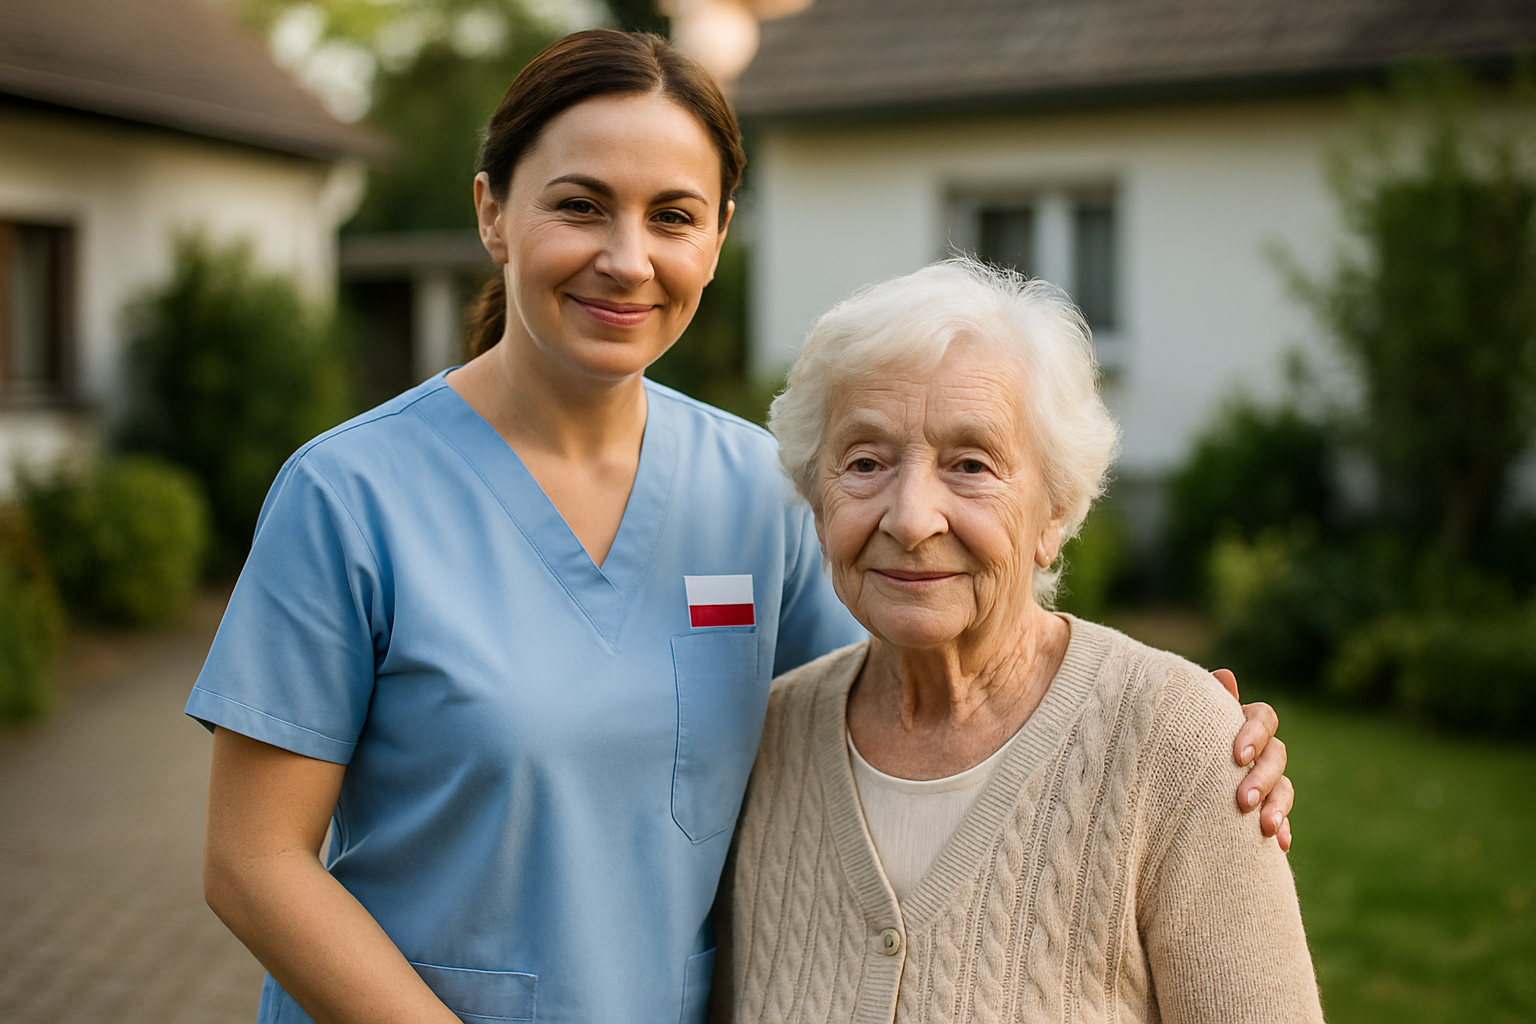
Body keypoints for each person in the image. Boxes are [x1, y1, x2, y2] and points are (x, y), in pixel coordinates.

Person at [186, 30, 1293, 1024]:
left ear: (716, 240)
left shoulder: (765, 492)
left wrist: (1176, 740)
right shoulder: (350, 496)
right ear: (492, 214)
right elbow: (254, 862)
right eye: (580, 206)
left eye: (672, 216)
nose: (628, 257)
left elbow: (904, 705)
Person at [713, 258, 1322, 1023]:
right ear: (816, 498)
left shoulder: (1180, 746)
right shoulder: (763, 742)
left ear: (1054, 512)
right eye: (865, 462)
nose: (912, 518)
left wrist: (1197, 735)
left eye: (970, 465)